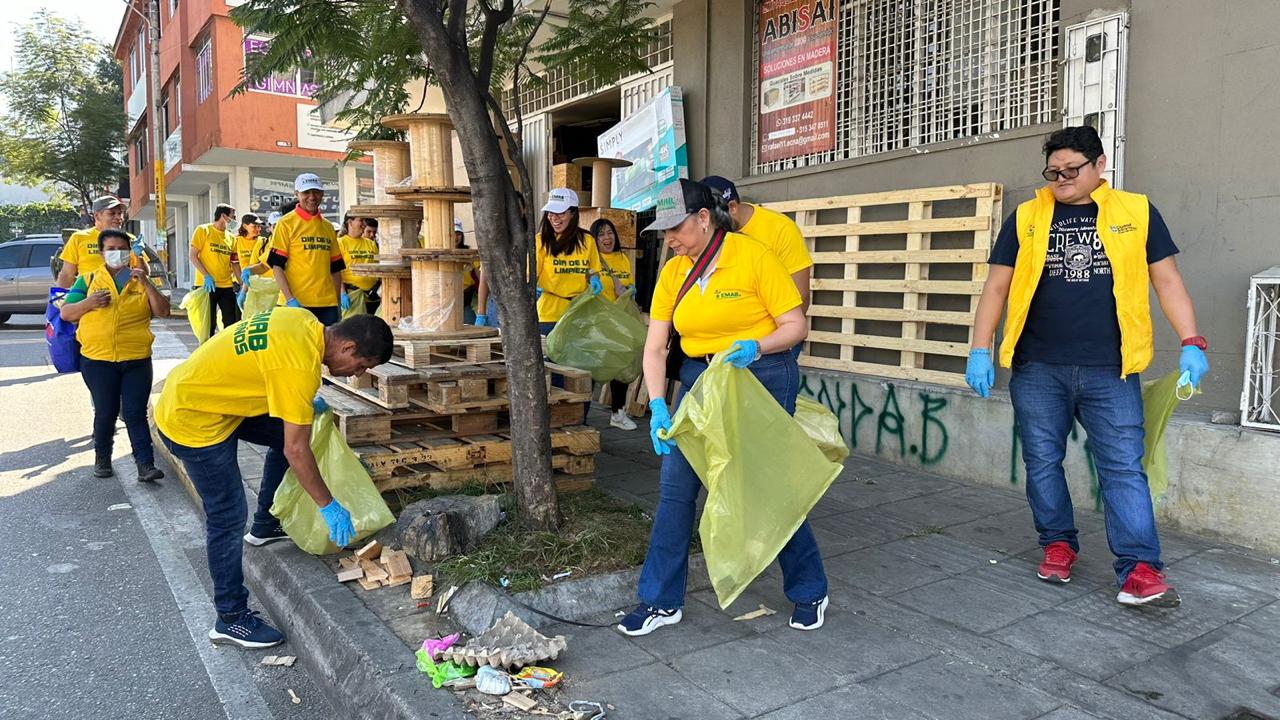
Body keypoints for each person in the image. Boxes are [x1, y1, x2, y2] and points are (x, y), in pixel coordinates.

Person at [966, 126, 1209, 608]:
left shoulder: (1137, 212)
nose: (1061, 179)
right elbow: (996, 287)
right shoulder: (1027, 217)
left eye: (1071, 170)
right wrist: (979, 349)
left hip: (1111, 369)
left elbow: (1167, 280)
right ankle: (1057, 543)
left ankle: (1140, 568)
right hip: (1038, 367)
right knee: (1041, 462)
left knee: (1123, 469)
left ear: (1100, 166)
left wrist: (1191, 341)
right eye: (1053, 172)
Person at [618, 179, 829, 637]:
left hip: (760, 374)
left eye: (676, 228)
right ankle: (659, 601)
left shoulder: (752, 257)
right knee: (677, 486)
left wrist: (757, 345)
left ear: (703, 218)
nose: (669, 240)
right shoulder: (674, 272)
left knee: (763, 487)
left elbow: (796, 325)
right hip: (699, 379)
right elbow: (656, 348)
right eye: (664, 232)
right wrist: (657, 405)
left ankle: (810, 588)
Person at [155, 310, 394, 648]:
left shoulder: (303, 323)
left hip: (218, 400)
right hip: (193, 420)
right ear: (348, 347)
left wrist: (298, 405)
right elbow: (295, 451)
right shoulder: (299, 368)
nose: (357, 375)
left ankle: (266, 524)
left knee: (298, 431)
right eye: (362, 365)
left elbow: (265, 364)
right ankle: (230, 618)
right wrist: (328, 505)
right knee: (227, 516)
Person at [60, 228, 170, 481]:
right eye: (111, 249)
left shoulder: (139, 280)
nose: (117, 254)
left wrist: (146, 282)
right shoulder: (87, 280)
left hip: (136, 359)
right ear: (101, 253)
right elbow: (67, 313)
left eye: (122, 249)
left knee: (134, 412)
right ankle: (102, 460)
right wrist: (89, 303)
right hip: (98, 360)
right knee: (106, 411)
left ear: (129, 252)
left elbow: (163, 311)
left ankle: (145, 465)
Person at [700, 176, 813, 314]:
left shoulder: (780, 229)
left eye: (714, 219)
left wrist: (784, 331)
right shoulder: (702, 232)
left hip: (770, 325)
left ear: (732, 207)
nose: (709, 227)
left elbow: (801, 296)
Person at [267, 173, 348, 325]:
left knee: (326, 348)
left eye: (316, 192)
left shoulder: (328, 227)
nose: (312, 197)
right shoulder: (285, 224)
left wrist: (337, 301)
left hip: (327, 305)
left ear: (322, 194)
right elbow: (277, 266)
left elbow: (335, 269)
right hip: (296, 303)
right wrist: (290, 299)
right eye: (306, 192)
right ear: (296, 194)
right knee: (294, 348)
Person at [533, 188, 603, 335]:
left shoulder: (587, 240)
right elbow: (530, 275)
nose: (555, 218)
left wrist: (594, 277)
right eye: (551, 213)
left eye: (561, 213)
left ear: (573, 213)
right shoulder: (541, 241)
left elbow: (591, 269)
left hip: (579, 313)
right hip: (549, 314)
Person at [590, 218, 638, 431]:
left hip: (619, 322)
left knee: (621, 367)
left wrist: (630, 289)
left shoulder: (622, 258)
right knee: (591, 369)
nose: (607, 238)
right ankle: (581, 415)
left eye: (609, 233)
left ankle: (618, 413)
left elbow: (628, 282)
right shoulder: (592, 260)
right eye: (601, 234)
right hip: (597, 323)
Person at [57, 195, 131, 288]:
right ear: (97, 216)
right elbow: (67, 273)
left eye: (120, 213)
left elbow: (141, 272)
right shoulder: (79, 238)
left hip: (123, 296)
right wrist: (58, 296)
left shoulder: (130, 239)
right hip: (87, 295)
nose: (118, 217)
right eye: (112, 213)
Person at [191, 204, 241, 339]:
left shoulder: (231, 238)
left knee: (231, 323)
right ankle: (206, 354)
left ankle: (228, 352)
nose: (235, 220)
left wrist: (242, 284)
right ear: (223, 216)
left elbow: (234, 264)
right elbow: (193, 256)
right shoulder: (203, 230)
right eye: (233, 217)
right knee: (208, 325)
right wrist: (206, 276)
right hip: (207, 286)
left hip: (226, 285)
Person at [339, 215, 379, 315]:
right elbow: (336, 271)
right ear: (350, 222)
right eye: (361, 220)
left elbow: (378, 266)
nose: (364, 224)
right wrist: (342, 293)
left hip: (373, 296)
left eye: (365, 221)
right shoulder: (340, 243)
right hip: (353, 296)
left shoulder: (371, 243)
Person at [234, 214, 270, 306]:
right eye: (254, 226)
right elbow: (235, 264)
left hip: (258, 285)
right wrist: (242, 285)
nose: (258, 229)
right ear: (245, 226)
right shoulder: (236, 241)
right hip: (239, 284)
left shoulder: (263, 242)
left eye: (259, 226)